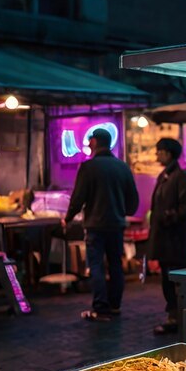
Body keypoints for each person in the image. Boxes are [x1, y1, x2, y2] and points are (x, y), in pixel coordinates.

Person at [62, 127, 139, 322]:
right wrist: (123, 212)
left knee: (95, 265)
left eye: (89, 141)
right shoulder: (122, 166)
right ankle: (115, 306)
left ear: (95, 142)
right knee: (115, 264)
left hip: (96, 225)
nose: (87, 144)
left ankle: (100, 308)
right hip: (116, 225)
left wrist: (68, 218)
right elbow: (133, 201)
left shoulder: (89, 167)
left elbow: (78, 198)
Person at [148, 138, 186, 335]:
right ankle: (173, 315)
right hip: (165, 239)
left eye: (159, 151)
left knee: (175, 279)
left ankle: (177, 317)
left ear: (168, 153)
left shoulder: (181, 176)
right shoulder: (166, 176)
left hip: (176, 240)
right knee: (167, 278)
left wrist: (172, 216)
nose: (156, 155)